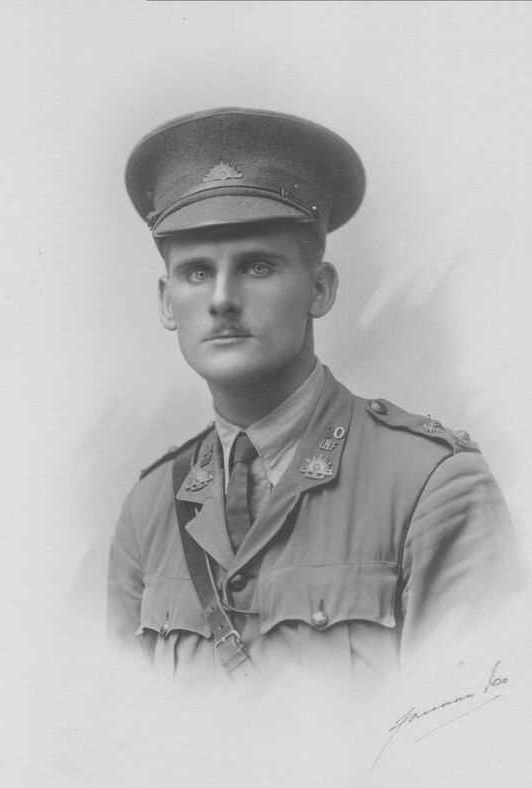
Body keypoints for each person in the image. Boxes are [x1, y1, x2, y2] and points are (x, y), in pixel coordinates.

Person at [107, 107, 513, 686]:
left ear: (319, 289)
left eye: (256, 267)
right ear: (167, 303)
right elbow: (120, 727)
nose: (221, 299)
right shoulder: (149, 509)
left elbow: (462, 725)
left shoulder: (432, 486)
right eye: (196, 273)